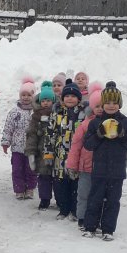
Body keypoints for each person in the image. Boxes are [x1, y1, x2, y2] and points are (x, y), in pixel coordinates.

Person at [82, 81, 127, 241]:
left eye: (115, 102)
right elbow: (88, 145)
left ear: (119, 104)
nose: (111, 105)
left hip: (117, 171)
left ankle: (108, 229)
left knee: (113, 201)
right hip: (99, 171)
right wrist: (99, 134)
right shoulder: (95, 122)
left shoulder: (125, 123)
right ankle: (90, 227)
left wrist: (122, 135)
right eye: (107, 102)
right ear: (102, 103)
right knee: (95, 199)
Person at [43, 79, 86, 220]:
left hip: (77, 157)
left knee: (75, 186)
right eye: (67, 96)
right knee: (60, 185)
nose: (70, 98)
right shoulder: (56, 114)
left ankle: (74, 210)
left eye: (73, 96)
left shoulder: (82, 115)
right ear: (62, 98)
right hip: (59, 158)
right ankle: (63, 209)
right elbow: (49, 135)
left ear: (79, 99)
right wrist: (48, 154)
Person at [65, 82, 104, 229]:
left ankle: (97, 218)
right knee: (83, 194)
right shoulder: (85, 125)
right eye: (97, 106)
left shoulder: (110, 123)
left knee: (99, 196)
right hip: (85, 167)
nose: (100, 109)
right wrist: (72, 165)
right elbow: (76, 146)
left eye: (102, 105)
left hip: (102, 168)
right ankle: (81, 217)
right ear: (92, 107)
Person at [1, 76, 37, 199]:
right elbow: (8, 128)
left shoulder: (36, 112)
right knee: (17, 169)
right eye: (23, 95)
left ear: (33, 96)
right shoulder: (14, 112)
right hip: (17, 148)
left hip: (32, 147)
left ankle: (30, 188)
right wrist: (6, 142)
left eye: (29, 95)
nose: (26, 97)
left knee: (31, 169)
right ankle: (19, 189)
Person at [25, 80, 55, 210]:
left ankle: (60, 199)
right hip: (42, 151)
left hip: (57, 151)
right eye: (43, 100)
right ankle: (44, 199)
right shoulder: (36, 116)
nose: (46, 103)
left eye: (48, 100)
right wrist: (31, 152)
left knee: (58, 179)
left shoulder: (58, 113)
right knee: (43, 177)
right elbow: (31, 135)